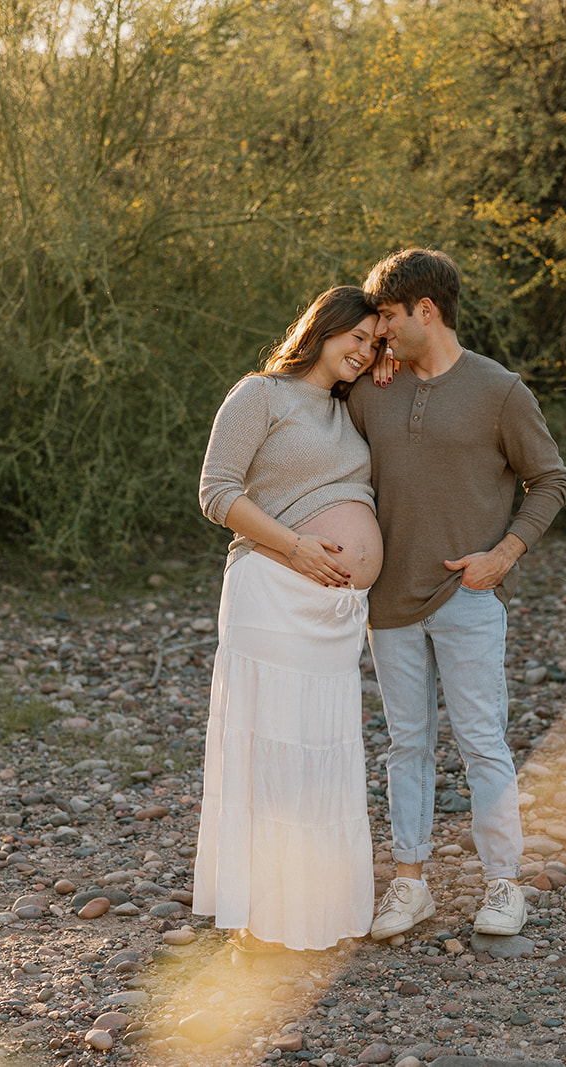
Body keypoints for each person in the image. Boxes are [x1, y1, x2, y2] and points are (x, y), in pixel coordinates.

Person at [346, 249, 566, 940]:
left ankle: (503, 883)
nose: (377, 331)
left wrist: (503, 554)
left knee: (482, 741)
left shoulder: (500, 390)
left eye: (385, 317)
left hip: (467, 594)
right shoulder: (370, 390)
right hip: (387, 601)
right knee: (406, 744)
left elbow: (551, 478)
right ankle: (409, 884)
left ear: (426, 310)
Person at [193, 286, 385, 952]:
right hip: (272, 587)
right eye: (354, 338)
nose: (363, 352)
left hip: (333, 611)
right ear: (322, 328)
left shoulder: (348, 408)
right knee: (274, 744)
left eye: (373, 342)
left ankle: (317, 908)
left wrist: (383, 369)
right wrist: (296, 546)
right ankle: (264, 914)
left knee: (322, 749)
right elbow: (216, 492)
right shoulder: (261, 394)